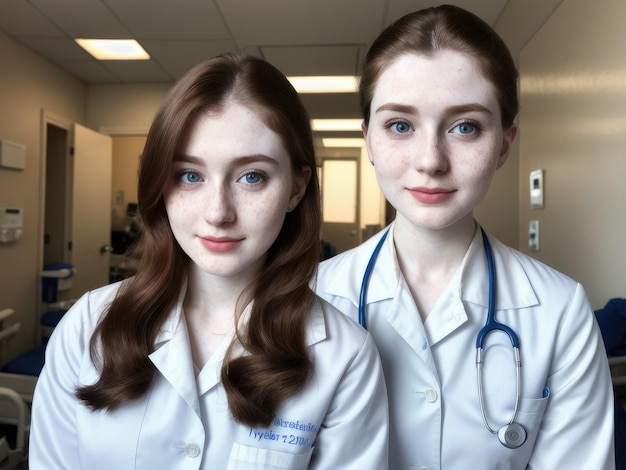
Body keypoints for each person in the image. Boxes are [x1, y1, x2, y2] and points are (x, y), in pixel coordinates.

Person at [29, 53, 388, 469]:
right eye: (190, 176)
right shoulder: (87, 326)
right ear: (161, 184)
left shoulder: (344, 356)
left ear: (296, 187)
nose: (218, 212)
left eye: (252, 176)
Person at [316, 5, 614, 469]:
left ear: (504, 144)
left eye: (465, 127)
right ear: (369, 140)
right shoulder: (307, 296)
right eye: (400, 125)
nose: (431, 160)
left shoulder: (560, 311)